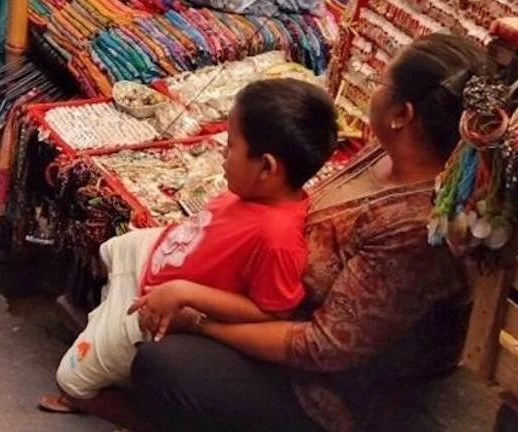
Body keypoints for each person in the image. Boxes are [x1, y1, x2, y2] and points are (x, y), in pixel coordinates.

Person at [126, 34, 484, 431]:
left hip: (326, 390)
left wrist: (202, 323)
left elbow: (323, 346)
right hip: (276, 307)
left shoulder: (415, 230)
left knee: (163, 364)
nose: (373, 89)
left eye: (382, 82)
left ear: (402, 114)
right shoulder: (387, 154)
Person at [43, 79, 337, 422]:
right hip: (157, 264)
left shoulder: (278, 239)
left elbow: (271, 314)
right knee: (114, 252)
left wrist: (185, 292)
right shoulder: (255, 193)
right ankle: (110, 326)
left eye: (231, 146)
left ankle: (133, 414)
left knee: (72, 381)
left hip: (162, 304)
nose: (223, 153)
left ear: (267, 168)